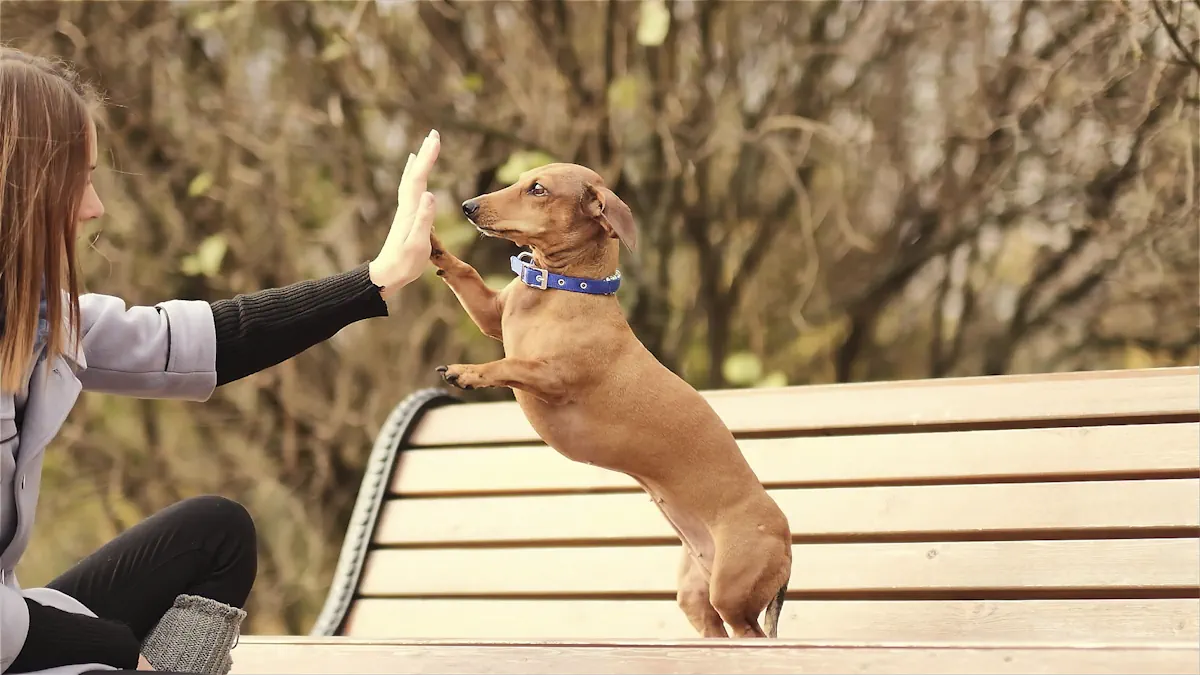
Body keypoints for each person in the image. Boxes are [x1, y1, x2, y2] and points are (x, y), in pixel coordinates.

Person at [0, 48, 441, 674]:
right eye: (80, 178)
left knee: (216, 534)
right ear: (18, 183)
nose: (95, 206)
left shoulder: (34, 315)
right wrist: (122, 655)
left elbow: (202, 340)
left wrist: (376, 280)